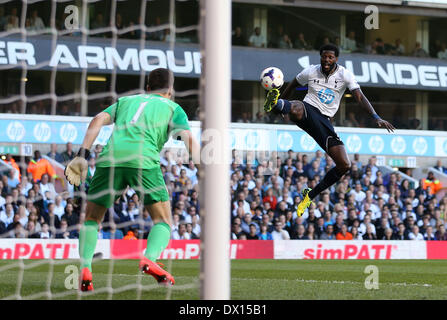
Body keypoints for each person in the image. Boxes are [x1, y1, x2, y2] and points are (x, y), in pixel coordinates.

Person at [64, 68, 200, 291]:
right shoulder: (173, 108)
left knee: (91, 219)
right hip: (143, 162)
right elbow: (188, 140)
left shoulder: (126, 101)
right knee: (163, 221)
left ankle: (85, 267)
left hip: (110, 161)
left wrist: (83, 155)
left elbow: (97, 119)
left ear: (147, 87)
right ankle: (150, 258)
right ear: (170, 90)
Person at [263, 43, 395, 217]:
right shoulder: (310, 71)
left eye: (330, 57)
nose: (326, 60)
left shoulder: (345, 75)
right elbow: (293, 84)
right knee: (297, 107)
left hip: (323, 122)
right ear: (320, 57)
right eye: (324, 56)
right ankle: (277, 103)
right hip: (307, 110)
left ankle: (310, 195)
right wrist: (281, 104)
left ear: (336, 59)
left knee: (344, 164)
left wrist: (376, 117)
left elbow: (360, 97)